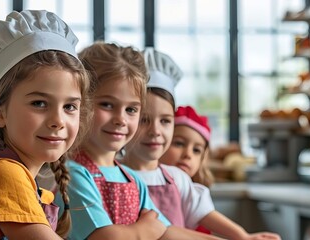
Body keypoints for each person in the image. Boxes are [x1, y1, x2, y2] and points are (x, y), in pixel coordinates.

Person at [0, 10, 90, 239]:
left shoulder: (24, 180)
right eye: (39, 103)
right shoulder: (3, 175)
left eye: (70, 107)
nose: (58, 121)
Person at [57, 42, 187, 240]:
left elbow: (166, 232)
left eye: (131, 109)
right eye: (107, 105)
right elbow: (104, 238)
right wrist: (145, 231)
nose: (121, 119)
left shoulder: (132, 179)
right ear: (79, 103)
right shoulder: (73, 175)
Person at [122, 48, 220, 240]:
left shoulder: (176, 178)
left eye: (165, 121)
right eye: (144, 120)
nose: (155, 131)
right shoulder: (112, 176)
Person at [160, 106, 281, 240]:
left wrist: (244, 236)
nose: (188, 154)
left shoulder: (186, 186)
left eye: (196, 150)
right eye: (179, 143)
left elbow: (204, 214)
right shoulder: (143, 179)